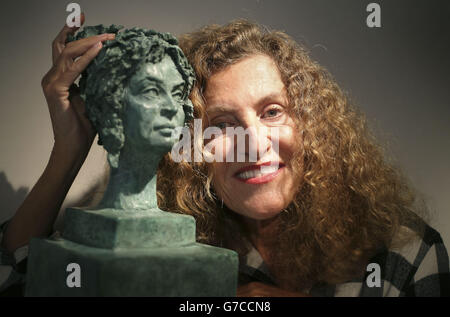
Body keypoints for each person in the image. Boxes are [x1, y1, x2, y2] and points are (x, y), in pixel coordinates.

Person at [0, 15, 449, 297]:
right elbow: (15, 278)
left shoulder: (403, 252)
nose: (253, 143)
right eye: (220, 125)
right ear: (189, 146)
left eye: (273, 112)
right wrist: (69, 150)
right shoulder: (161, 249)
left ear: (312, 123)